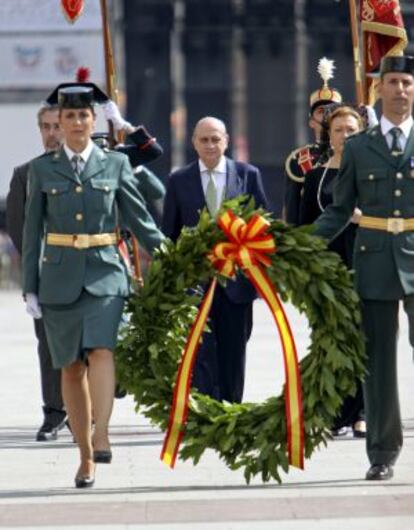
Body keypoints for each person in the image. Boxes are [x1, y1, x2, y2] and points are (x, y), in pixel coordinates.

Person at [21, 83, 164, 488]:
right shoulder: (42, 169)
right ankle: (85, 455)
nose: (78, 122)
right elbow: (33, 233)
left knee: (102, 350)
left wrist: (170, 255)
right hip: (59, 277)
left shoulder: (115, 163)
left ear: (94, 120)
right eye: (70, 117)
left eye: (85, 116)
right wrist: (30, 287)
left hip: (105, 273)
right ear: (59, 125)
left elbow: (140, 219)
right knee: (70, 367)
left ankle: (101, 433)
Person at [314, 55, 414, 481]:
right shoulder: (358, 146)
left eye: (408, 82)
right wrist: (294, 244)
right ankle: (382, 450)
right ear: (379, 88)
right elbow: (338, 211)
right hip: (373, 259)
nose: (401, 91)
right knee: (377, 358)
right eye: (393, 82)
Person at [162, 116, 268, 403]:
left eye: (216, 139)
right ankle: (206, 408)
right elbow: (168, 234)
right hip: (196, 284)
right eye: (204, 139)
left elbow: (264, 227)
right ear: (193, 142)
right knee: (201, 350)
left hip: (237, 284)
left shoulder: (248, 175)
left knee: (235, 349)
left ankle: (231, 409)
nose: (210, 145)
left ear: (227, 141)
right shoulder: (178, 180)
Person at [299, 104, 366, 438]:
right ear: (329, 135)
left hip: (366, 261)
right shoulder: (316, 176)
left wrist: (363, 217)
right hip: (327, 268)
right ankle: (334, 411)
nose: (345, 135)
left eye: (351, 129)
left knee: (363, 337)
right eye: (338, 130)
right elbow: (303, 225)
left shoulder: (373, 171)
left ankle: (361, 412)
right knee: (330, 337)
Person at [6, 104, 67, 441]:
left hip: (86, 273)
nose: (51, 133)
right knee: (48, 346)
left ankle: (85, 411)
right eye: (45, 127)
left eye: (57, 125)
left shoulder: (90, 167)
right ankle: (54, 412)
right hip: (46, 277)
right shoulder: (25, 174)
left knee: (90, 347)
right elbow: (19, 230)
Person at [284, 57, 343, 225]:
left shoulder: (354, 155)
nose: (326, 116)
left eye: (333, 111)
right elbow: (292, 209)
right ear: (311, 121)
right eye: (321, 111)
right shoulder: (300, 159)